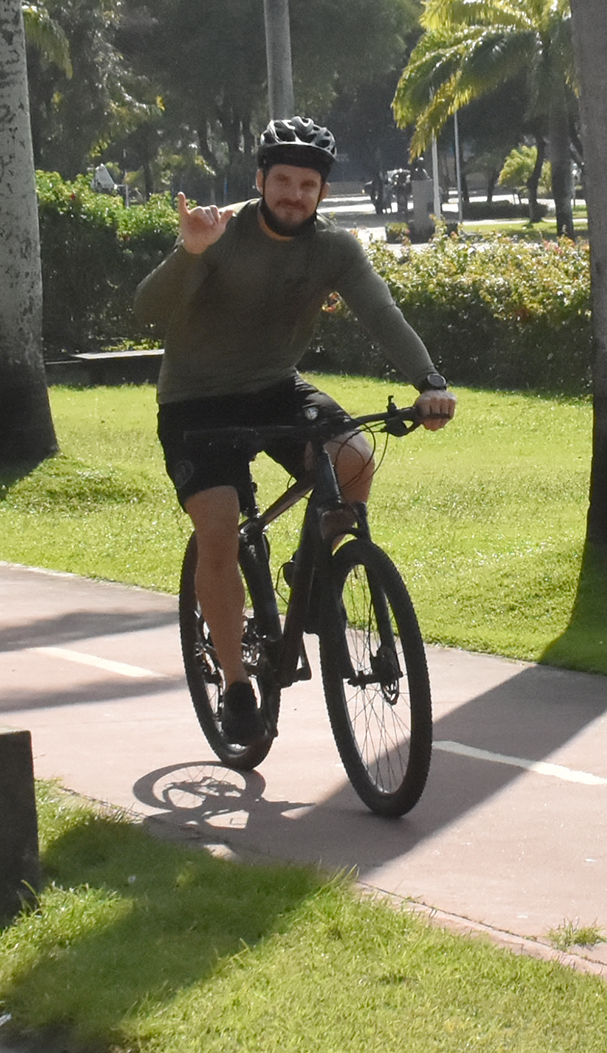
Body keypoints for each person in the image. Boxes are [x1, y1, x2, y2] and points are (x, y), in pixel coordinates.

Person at [135, 116, 458, 746]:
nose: (294, 194)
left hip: (276, 387)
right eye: (281, 180)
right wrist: (189, 251)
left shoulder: (333, 249)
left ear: (322, 193)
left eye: (307, 184)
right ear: (260, 180)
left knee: (355, 459)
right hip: (197, 402)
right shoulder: (218, 234)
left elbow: (380, 313)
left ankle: (320, 584)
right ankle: (234, 684)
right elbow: (148, 311)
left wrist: (429, 381)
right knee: (221, 532)